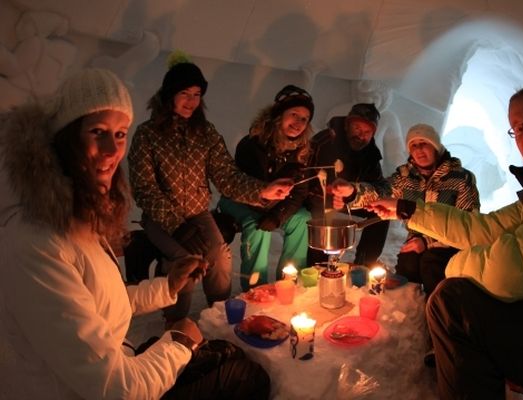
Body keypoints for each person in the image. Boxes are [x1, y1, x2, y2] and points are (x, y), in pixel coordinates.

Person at [0, 68, 270, 399]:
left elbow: (100, 301)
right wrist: (180, 341)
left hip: (121, 354)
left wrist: (166, 286)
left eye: (118, 134)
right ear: (65, 138)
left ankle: (219, 318)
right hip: (102, 385)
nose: (113, 151)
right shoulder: (37, 242)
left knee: (219, 288)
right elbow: (118, 389)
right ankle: (179, 318)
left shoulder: (77, 219)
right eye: (97, 131)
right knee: (243, 377)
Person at [367, 89, 523, 399]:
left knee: (452, 300)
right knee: (422, 272)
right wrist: (406, 209)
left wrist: (455, 265)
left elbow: (512, 267)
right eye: (517, 129)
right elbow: (483, 228)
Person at [128, 54, 292, 323]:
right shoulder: (147, 135)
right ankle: (175, 323)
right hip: (160, 218)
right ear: (169, 94)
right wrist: (177, 226)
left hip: (196, 213)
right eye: (184, 93)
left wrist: (263, 191)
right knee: (186, 262)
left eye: (196, 94)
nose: (191, 101)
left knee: (219, 256)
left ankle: (219, 317)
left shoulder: (205, 133)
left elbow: (226, 175)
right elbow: (144, 188)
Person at [332, 123, 480, 295]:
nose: (418, 150)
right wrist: (352, 192)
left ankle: (436, 309)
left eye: (423, 143)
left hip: (450, 243)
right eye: (413, 146)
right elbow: (381, 192)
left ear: (435, 146)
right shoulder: (405, 177)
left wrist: (428, 242)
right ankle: (411, 307)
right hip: (415, 241)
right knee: (407, 263)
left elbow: (468, 223)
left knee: (431, 263)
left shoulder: (461, 178)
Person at [217, 85, 313, 290]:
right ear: (278, 116)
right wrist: (271, 213)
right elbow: (247, 189)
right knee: (257, 225)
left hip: (275, 206)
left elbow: (300, 192)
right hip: (240, 201)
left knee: (302, 219)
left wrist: (278, 216)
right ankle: (256, 289)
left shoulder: (302, 151)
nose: (298, 123)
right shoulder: (252, 144)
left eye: (304, 119)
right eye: (294, 114)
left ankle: (289, 284)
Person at [306, 103, 390, 266]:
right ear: (347, 125)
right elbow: (303, 174)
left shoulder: (371, 154)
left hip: (350, 201)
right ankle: (317, 266)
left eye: (367, 132)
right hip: (316, 199)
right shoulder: (324, 141)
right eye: (357, 128)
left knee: (382, 213)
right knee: (321, 216)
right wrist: (325, 193)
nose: (361, 135)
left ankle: (364, 264)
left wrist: (351, 196)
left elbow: (381, 189)